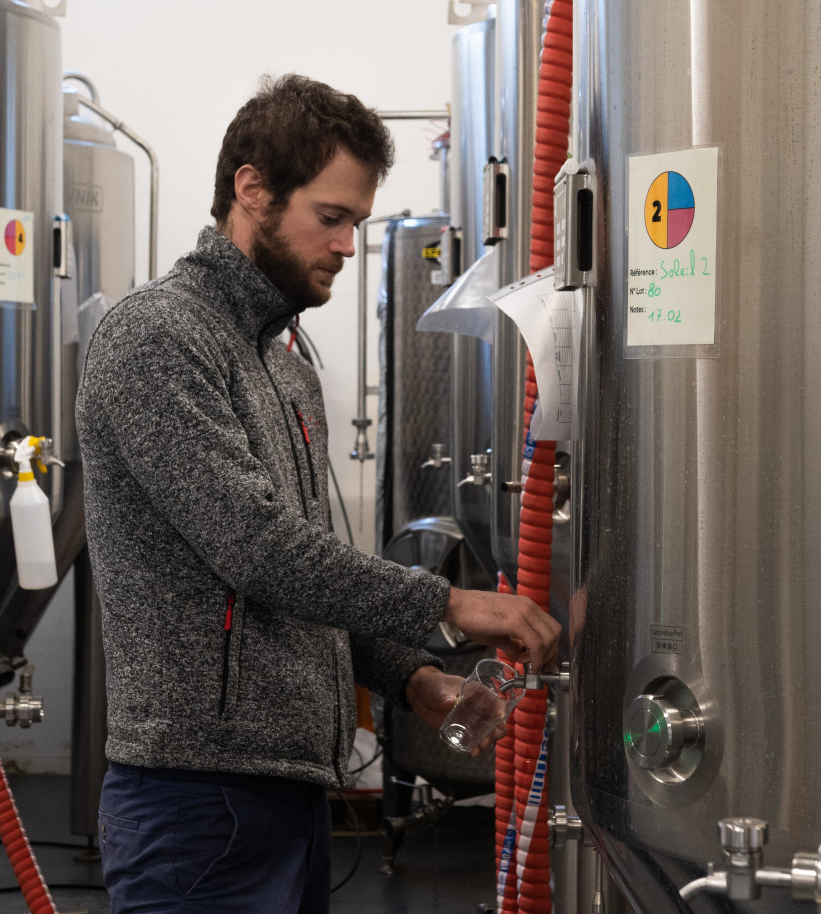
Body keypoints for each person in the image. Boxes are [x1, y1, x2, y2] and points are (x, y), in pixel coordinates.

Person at [75, 74, 560, 913]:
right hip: (194, 796)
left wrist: (408, 676)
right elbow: (258, 550)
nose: (345, 245)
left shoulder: (288, 374)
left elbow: (312, 580)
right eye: (329, 218)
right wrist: (455, 605)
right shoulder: (157, 339)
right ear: (252, 190)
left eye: (357, 225)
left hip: (293, 794)